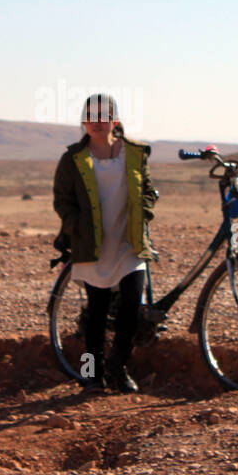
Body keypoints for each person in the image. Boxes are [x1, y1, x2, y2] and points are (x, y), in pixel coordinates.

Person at [52, 93, 158, 393]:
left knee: (131, 308)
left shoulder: (135, 153)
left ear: (115, 120)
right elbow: (62, 200)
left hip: (128, 243)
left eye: (103, 116)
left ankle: (118, 367)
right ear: (84, 122)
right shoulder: (72, 158)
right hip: (92, 245)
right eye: (91, 117)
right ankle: (92, 374)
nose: (97, 123)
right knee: (96, 316)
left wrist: (145, 212)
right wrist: (75, 227)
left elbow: (148, 189)